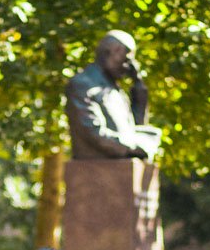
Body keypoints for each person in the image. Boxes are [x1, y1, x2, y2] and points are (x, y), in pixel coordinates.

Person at [65, 31, 160, 160]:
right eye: (126, 59)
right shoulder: (83, 84)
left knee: (152, 134)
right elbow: (93, 133)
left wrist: (138, 85)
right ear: (109, 52)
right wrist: (133, 147)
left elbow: (135, 127)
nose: (128, 67)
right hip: (96, 166)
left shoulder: (116, 91)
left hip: (121, 165)